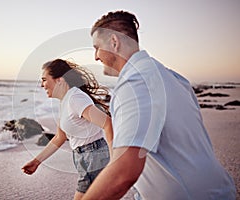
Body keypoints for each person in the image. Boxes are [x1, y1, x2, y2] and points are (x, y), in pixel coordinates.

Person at [82, 10, 236, 200]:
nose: (96, 56)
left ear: (114, 42)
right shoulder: (174, 79)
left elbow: (124, 172)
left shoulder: (135, 82)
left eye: (97, 47)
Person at [22, 59, 113, 200]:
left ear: (59, 80)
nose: (41, 85)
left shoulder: (75, 98)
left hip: (94, 156)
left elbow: (107, 123)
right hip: (85, 157)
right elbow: (59, 137)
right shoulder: (65, 101)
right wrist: (36, 162)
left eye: (44, 79)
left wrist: (115, 158)